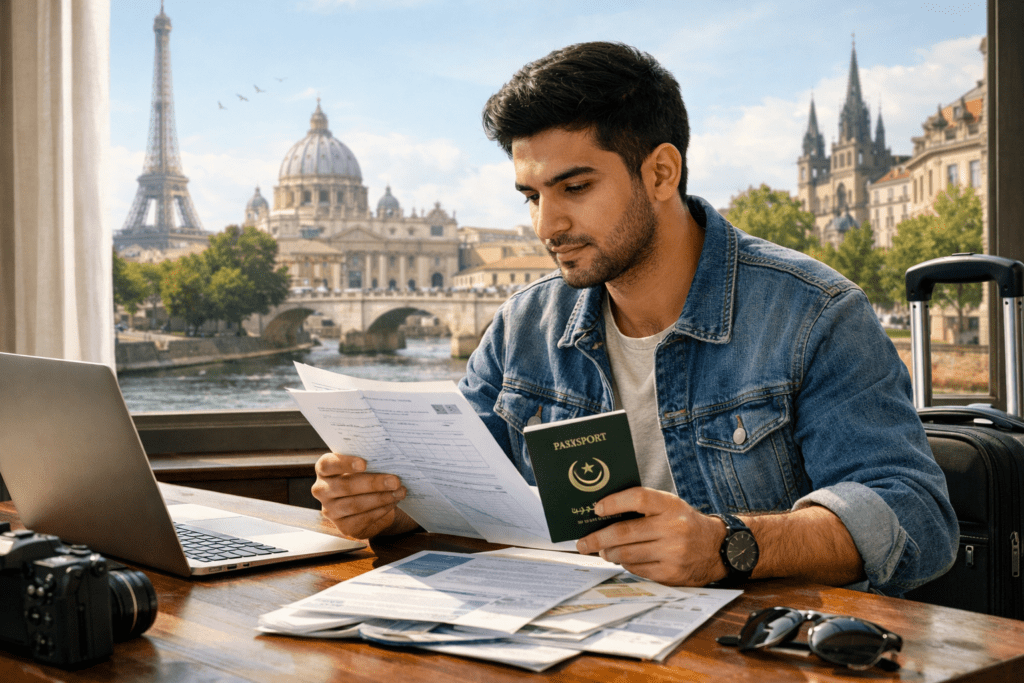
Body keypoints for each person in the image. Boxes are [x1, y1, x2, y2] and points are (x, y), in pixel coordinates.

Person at [312, 41, 958, 596]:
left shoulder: (814, 314)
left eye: (575, 188)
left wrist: (727, 545)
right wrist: (387, 505)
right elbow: (459, 488)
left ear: (661, 172)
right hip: (566, 639)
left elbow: (915, 517)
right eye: (532, 196)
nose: (546, 225)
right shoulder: (521, 324)